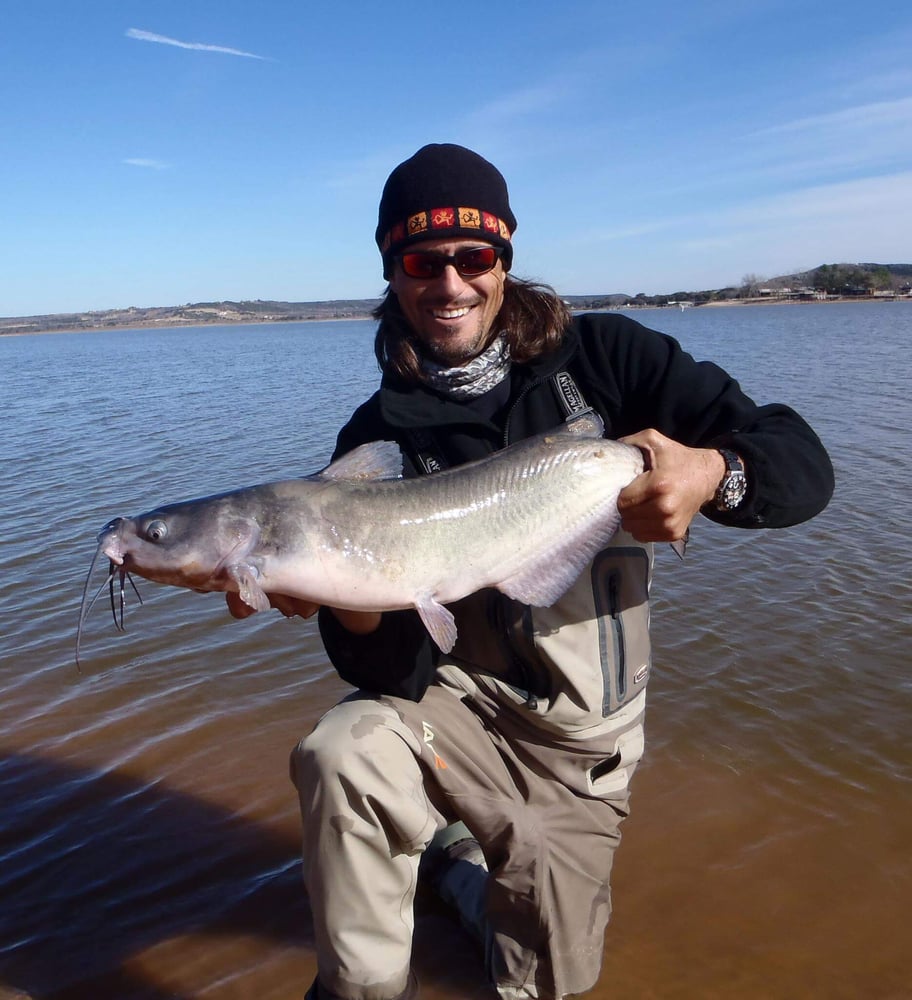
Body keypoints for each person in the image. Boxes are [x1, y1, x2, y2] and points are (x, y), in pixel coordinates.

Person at [230, 143, 834, 1000]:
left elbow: (801, 462)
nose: (450, 286)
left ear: (505, 258)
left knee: (540, 981)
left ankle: (455, 870)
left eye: (473, 258)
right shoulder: (375, 442)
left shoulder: (610, 360)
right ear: (392, 273)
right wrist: (350, 605)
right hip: (458, 712)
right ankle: (357, 989)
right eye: (421, 262)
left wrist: (713, 474)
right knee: (343, 750)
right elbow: (390, 675)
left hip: (580, 740)